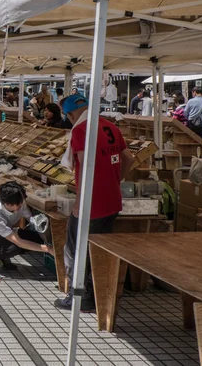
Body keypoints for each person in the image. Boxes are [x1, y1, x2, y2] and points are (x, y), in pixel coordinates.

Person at [55, 94, 134, 312]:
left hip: (92, 203)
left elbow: (85, 168)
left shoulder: (80, 131)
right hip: (112, 200)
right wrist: (117, 180)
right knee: (98, 250)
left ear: (70, 114)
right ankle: (99, 294)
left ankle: (79, 296)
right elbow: (129, 158)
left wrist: (80, 203)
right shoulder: (110, 126)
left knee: (75, 249)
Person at [0, 181, 55, 272]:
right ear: (7, 204)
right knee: (14, 248)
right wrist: (47, 249)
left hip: (8, 231)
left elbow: (30, 218)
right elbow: (19, 242)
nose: (21, 206)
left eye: (22, 202)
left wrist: (41, 227)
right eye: (19, 205)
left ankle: (3, 256)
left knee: (37, 239)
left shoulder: (19, 201)